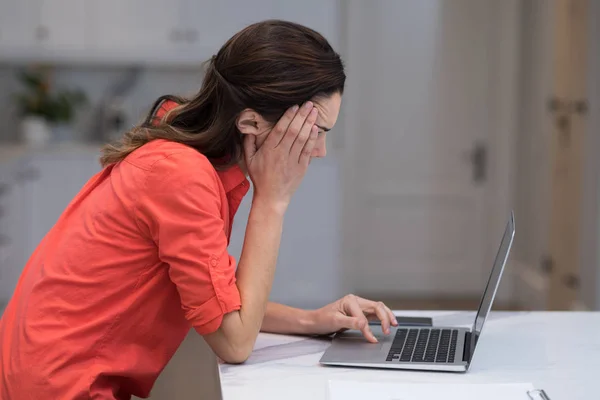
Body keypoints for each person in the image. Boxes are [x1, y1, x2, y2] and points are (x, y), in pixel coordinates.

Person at [0, 20, 397, 399]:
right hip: (58, 388)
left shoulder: (187, 162)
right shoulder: (181, 175)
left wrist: (315, 320)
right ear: (251, 122)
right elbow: (234, 342)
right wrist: (272, 202)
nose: (320, 150)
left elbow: (217, 301)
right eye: (316, 132)